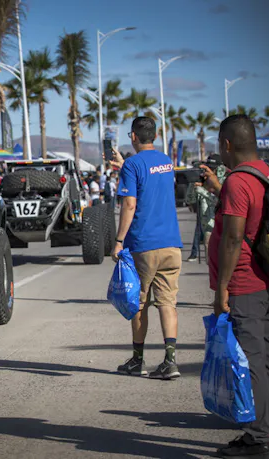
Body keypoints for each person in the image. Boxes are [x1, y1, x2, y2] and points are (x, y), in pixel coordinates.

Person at [207, 115, 269, 458]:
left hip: (246, 283)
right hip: (268, 279)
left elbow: (233, 238)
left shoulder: (237, 181)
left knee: (251, 361)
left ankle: (259, 439)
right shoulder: (266, 172)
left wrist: (222, 289)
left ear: (227, 145)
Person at [112, 117, 183, 380]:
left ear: (133, 136)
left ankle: (138, 359)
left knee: (139, 304)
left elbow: (130, 204)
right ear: (154, 135)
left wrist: (119, 241)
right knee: (167, 302)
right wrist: (124, 166)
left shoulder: (132, 164)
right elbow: (153, 182)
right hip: (171, 244)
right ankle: (170, 361)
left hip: (143, 244)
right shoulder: (166, 162)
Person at [185, 155, 227, 262]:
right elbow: (190, 200)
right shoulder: (204, 179)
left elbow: (221, 200)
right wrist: (192, 185)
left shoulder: (225, 180)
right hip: (207, 227)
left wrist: (203, 191)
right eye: (210, 167)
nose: (212, 170)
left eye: (214, 168)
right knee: (211, 264)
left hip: (223, 227)